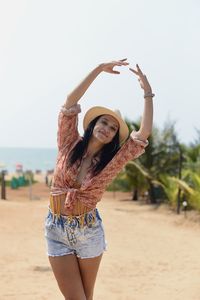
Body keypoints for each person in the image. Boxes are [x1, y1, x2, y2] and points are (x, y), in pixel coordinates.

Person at [44, 58, 154, 300]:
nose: (107, 128)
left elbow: (143, 134)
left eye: (113, 128)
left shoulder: (113, 161)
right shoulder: (68, 143)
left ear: (114, 136)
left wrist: (148, 94)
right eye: (104, 122)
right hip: (55, 230)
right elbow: (69, 104)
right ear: (94, 123)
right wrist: (97, 70)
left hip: (88, 232)